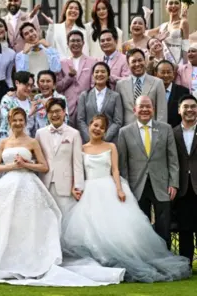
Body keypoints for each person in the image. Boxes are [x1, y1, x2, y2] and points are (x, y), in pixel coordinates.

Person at [0, 108, 123, 286]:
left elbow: (44, 167)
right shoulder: (4, 142)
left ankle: (29, 261)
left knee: (28, 224)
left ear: (25, 122)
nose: (18, 123)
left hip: (28, 184)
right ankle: (2, 260)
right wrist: (13, 166)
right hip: (7, 185)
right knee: (4, 223)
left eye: (21, 120)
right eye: (15, 120)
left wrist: (26, 164)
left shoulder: (32, 141)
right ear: (10, 121)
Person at [62, 114, 191, 282]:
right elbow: (77, 170)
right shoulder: (82, 148)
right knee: (94, 229)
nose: (97, 129)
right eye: (95, 125)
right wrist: (76, 187)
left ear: (105, 131)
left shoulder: (111, 146)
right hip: (90, 190)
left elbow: (115, 169)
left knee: (117, 230)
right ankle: (101, 262)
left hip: (109, 188)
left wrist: (119, 188)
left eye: (101, 127)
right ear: (89, 126)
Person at [117, 96, 179, 249]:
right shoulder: (124, 132)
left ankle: (165, 257)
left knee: (164, 224)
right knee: (140, 226)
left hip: (162, 184)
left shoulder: (166, 129)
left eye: (148, 106)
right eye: (141, 106)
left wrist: (174, 183)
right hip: (136, 185)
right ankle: (146, 256)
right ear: (135, 110)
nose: (145, 109)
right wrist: (125, 187)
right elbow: (122, 163)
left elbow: (173, 159)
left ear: (153, 109)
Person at [35, 98, 83, 216]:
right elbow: (37, 159)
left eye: (58, 111)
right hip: (45, 183)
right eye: (51, 112)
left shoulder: (74, 133)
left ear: (64, 112)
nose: (55, 115)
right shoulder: (40, 133)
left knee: (65, 219)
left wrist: (78, 186)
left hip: (66, 185)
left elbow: (77, 163)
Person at [173, 94, 197, 264]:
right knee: (185, 228)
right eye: (186, 106)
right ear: (179, 110)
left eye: (193, 106)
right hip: (182, 187)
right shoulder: (171, 132)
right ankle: (186, 264)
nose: (190, 110)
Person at [115, 48, 167, 125]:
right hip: (128, 131)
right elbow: (118, 113)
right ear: (128, 64)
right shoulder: (120, 85)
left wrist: (159, 134)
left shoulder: (158, 83)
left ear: (145, 61)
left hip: (151, 130)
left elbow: (162, 112)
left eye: (140, 60)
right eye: (133, 61)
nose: (137, 64)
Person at [56, 30, 96, 128]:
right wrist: (69, 76)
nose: (75, 43)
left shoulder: (93, 61)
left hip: (87, 106)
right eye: (72, 41)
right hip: (67, 106)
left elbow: (94, 85)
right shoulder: (61, 63)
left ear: (83, 43)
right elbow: (58, 87)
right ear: (67, 44)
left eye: (78, 41)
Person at [77, 62, 123, 143]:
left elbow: (118, 121)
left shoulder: (115, 96)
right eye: (97, 72)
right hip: (89, 142)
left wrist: (105, 137)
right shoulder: (84, 96)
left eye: (103, 71)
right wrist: (91, 138)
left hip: (109, 142)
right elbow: (80, 120)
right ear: (93, 75)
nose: (99, 74)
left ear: (108, 75)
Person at [145, 0, 190, 65]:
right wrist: (147, 16)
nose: (173, 6)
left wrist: (185, 65)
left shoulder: (183, 22)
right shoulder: (163, 26)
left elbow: (186, 45)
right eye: (171, 3)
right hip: (164, 61)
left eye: (176, 3)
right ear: (166, 6)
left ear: (180, 6)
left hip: (178, 60)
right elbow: (146, 34)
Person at [156, 60, 189, 128]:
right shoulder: (151, 90)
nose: (166, 75)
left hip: (175, 132)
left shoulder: (183, 92)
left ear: (173, 74)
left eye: (169, 72)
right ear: (156, 74)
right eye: (163, 72)